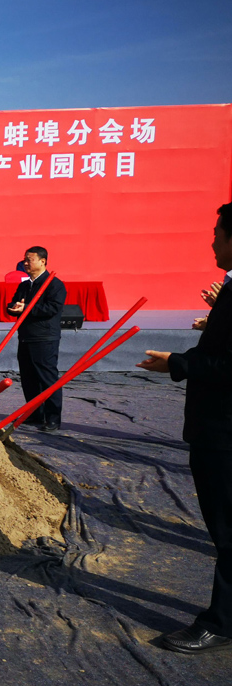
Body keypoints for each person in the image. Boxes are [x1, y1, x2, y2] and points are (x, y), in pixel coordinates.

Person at [138, 203, 232, 654]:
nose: (212, 240)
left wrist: (177, 363)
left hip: (225, 431)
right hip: (217, 427)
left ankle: (222, 623)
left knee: (229, 531)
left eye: (217, 232)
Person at [7, 246, 66, 431]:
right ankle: (34, 414)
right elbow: (14, 303)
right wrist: (13, 308)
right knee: (28, 378)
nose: (26, 263)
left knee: (47, 379)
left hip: (44, 338)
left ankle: (53, 418)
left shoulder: (55, 285)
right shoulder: (25, 285)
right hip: (25, 337)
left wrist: (26, 308)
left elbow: (52, 309)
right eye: (24, 260)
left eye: (29, 260)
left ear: (42, 261)